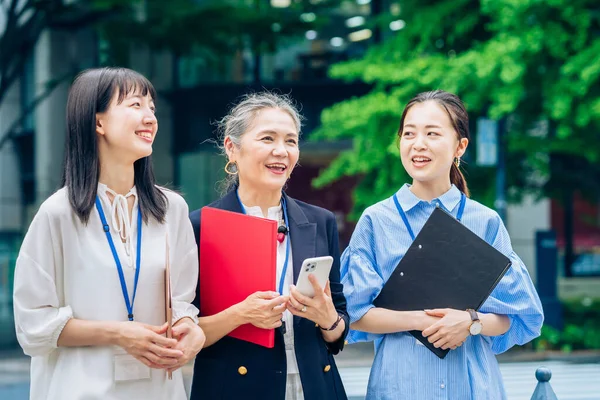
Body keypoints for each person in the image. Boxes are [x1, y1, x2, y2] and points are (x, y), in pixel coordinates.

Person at [13, 67, 205, 400]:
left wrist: (192, 331)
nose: (150, 118)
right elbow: (32, 326)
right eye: (135, 105)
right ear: (98, 122)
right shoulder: (58, 213)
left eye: (152, 108)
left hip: (158, 389)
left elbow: (182, 302)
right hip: (79, 390)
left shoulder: (171, 209)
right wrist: (119, 333)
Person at [340, 90, 544, 399]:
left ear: (459, 146)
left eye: (432, 133)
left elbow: (518, 315)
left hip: (473, 386)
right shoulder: (376, 221)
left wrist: (470, 322)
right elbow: (353, 313)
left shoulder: (485, 221)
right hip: (400, 387)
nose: (418, 144)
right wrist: (423, 320)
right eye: (409, 134)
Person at [188, 92, 349, 400]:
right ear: (232, 148)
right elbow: (185, 333)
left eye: (290, 141)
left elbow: (338, 330)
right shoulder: (200, 226)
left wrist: (329, 319)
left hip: (314, 386)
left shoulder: (320, 221)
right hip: (234, 388)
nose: (281, 151)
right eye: (267, 138)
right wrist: (240, 314)